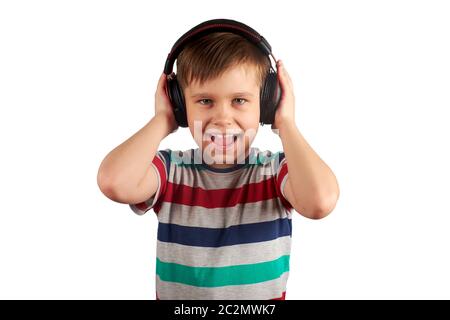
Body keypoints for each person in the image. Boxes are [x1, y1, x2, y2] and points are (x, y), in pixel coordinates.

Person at [97, 20, 339, 300]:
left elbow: (320, 202)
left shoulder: (276, 172)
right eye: (205, 101)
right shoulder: (172, 171)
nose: (223, 118)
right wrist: (162, 120)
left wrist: (286, 124)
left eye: (239, 100)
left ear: (267, 102)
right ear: (179, 105)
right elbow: (113, 182)